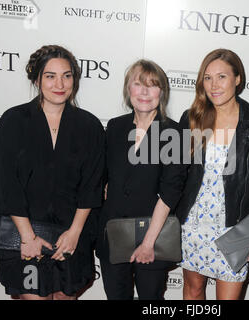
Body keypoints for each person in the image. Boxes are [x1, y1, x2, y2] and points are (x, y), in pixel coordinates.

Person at [0, 45, 105, 300]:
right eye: (50, 76)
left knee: (63, 297)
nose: (59, 83)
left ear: (74, 79)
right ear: (37, 80)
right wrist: (28, 237)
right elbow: (7, 184)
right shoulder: (13, 121)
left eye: (67, 75)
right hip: (25, 239)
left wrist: (74, 233)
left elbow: (91, 186)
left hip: (70, 238)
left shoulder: (89, 126)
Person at [175, 48, 249, 300]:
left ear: (237, 78)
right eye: (207, 78)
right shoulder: (192, 118)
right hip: (193, 224)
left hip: (235, 225)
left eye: (221, 77)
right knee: (193, 290)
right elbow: (176, 175)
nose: (214, 85)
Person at [95, 59, 186, 300]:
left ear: (162, 92)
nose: (144, 92)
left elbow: (171, 192)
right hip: (113, 233)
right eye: (138, 84)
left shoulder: (174, 133)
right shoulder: (115, 127)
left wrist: (148, 243)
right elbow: (103, 178)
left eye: (152, 85)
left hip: (153, 237)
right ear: (128, 90)